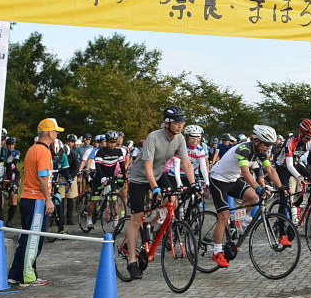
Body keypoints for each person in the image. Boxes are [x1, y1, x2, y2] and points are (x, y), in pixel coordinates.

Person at [122, 106, 196, 279]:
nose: (180, 126)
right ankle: (132, 261)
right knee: (137, 218)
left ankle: (153, 227)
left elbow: (186, 163)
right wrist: (154, 187)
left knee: (173, 201)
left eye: (182, 123)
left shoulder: (179, 139)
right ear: (167, 123)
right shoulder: (154, 137)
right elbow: (147, 166)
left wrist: (193, 184)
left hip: (158, 173)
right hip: (139, 178)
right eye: (177, 122)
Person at [205, 124, 288, 268]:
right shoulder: (244, 149)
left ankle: (234, 220)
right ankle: (217, 252)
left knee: (253, 198)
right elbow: (245, 172)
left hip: (232, 179)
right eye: (267, 144)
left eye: (271, 144)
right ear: (256, 141)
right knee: (223, 215)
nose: (269, 147)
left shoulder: (261, 152)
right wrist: (258, 188)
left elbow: (270, 170)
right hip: (218, 179)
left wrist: (280, 187)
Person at [8, 118, 62, 286]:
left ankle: (15, 274)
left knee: (25, 236)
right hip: (36, 199)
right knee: (34, 239)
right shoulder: (44, 151)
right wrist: (48, 200)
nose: (56, 135)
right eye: (56, 132)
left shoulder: (32, 149)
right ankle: (28, 276)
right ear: (50, 133)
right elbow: (43, 178)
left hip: (27, 197)